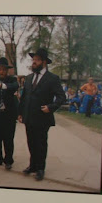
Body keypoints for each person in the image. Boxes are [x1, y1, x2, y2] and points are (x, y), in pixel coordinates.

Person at [18, 48, 66, 181]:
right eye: (33, 60)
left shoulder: (52, 78)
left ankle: (40, 168)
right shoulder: (28, 78)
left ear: (44, 62)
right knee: (31, 142)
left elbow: (61, 97)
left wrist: (51, 107)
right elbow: (24, 97)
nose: (34, 62)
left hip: (42, 117)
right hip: (28, 117)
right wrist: (20, 113)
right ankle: (32, 165)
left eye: (37, 60)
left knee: (40, 143)